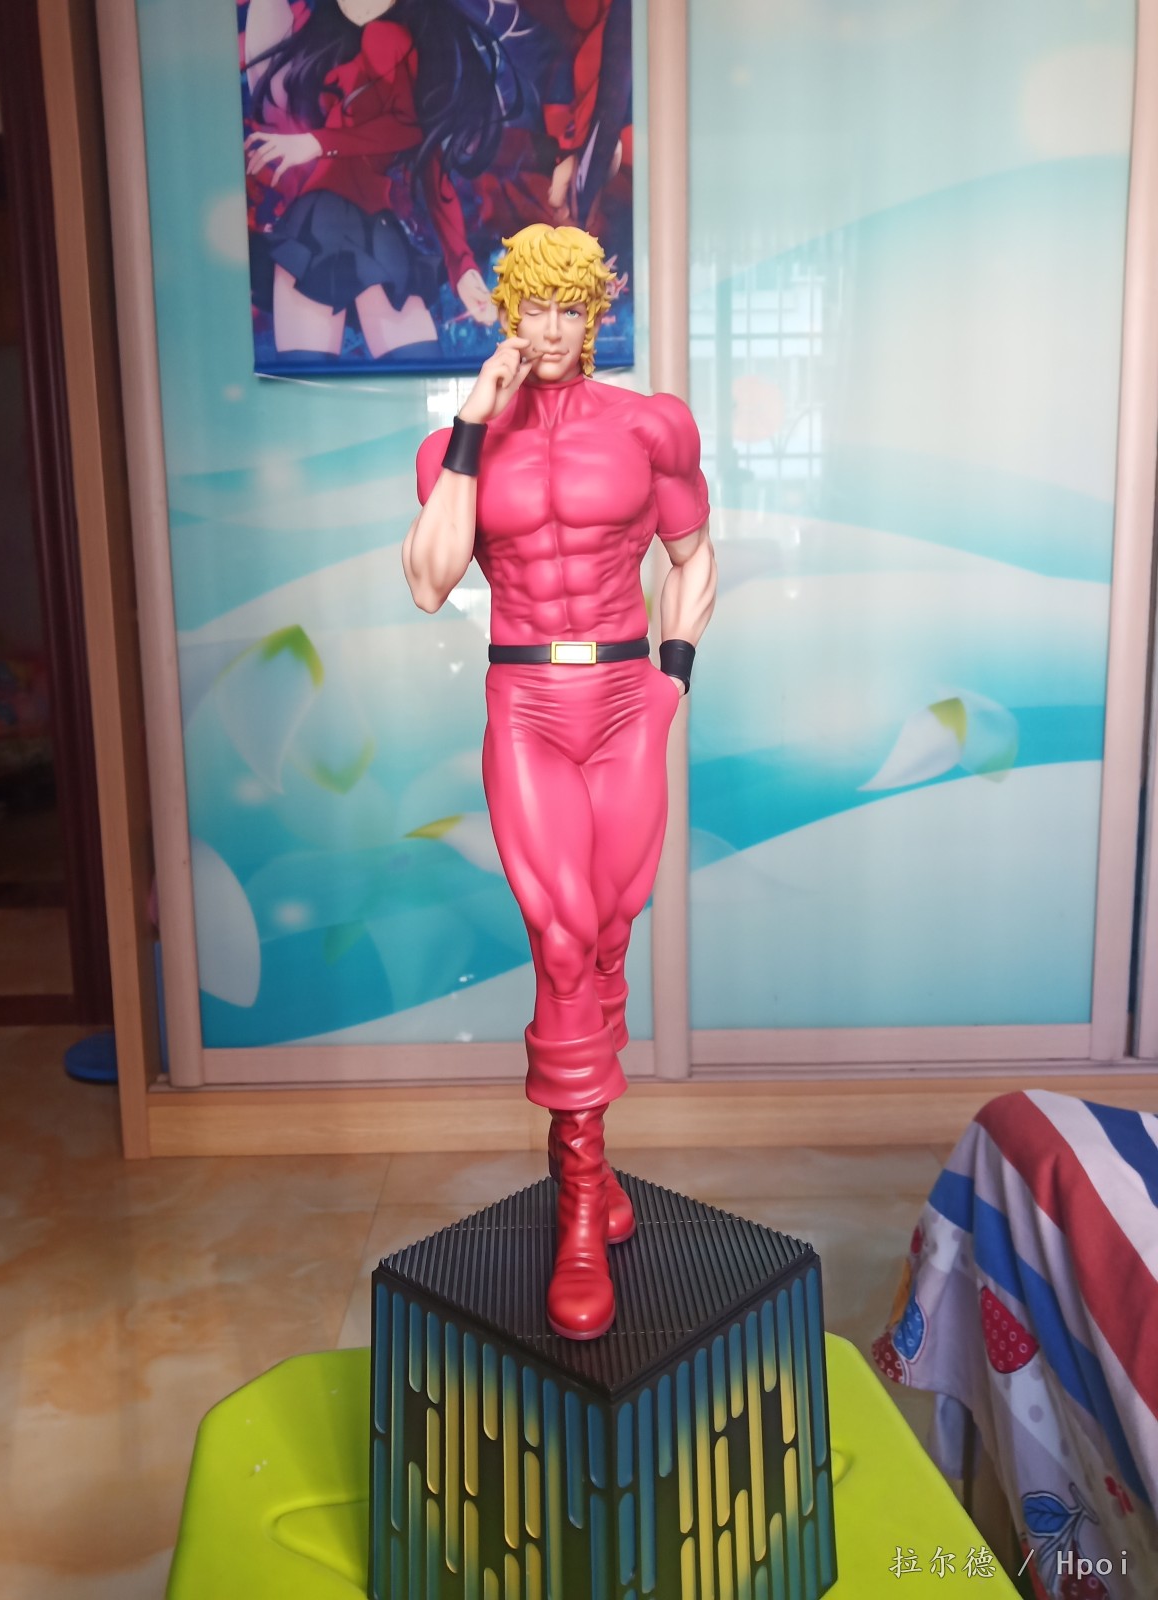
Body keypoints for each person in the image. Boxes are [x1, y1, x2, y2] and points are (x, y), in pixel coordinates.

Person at [404, 224, 716, 1339]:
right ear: (506, 312)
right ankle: (581, 1200)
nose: (545, 328)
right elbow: (431, 581)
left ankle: (590, 1152)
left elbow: (692, 554)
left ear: (593, 315)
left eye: (565, 308)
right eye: (528, 306)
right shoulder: (455, 444)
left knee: (611, 932)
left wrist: (673, 679)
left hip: (629, 698)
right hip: (526, 702)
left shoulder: (651, 425)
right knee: (562, 933)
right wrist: (473, 428)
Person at [242, 0, 510, 360]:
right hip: (333, 224)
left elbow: (415, 141)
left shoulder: (389, 37)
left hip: (353, 228)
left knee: (406, 369)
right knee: (311, 378)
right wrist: (460, 264)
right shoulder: (346, 42)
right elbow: (418, 145)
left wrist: (461, 265)